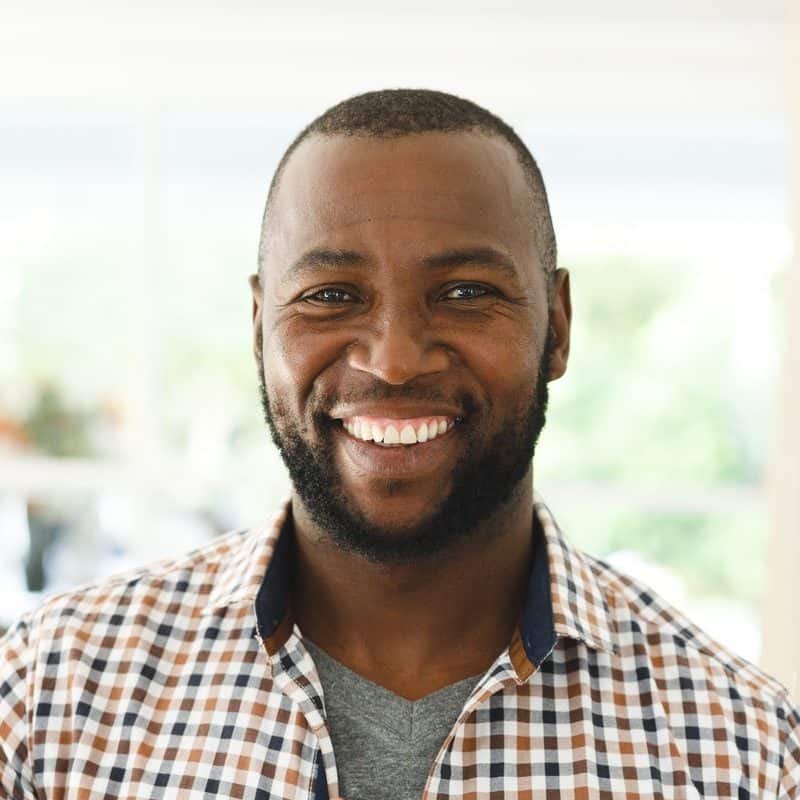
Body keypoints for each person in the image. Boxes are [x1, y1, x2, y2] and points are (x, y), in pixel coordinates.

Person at [1, 89, 798, 800]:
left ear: (557, 325)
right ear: (258, 329)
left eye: (464, 294)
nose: (392, 360)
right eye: (331, 296)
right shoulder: (47, 697)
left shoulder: (750, 756)